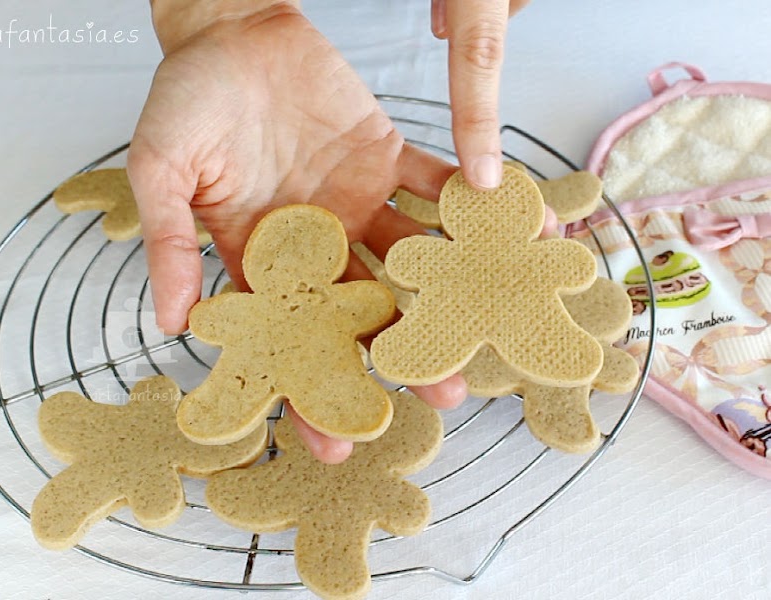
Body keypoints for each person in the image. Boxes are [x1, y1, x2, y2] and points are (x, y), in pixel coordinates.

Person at [128, 0, 531, 463]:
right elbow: (222, 319)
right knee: (247, 385)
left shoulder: (334, 301)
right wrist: (221, 15)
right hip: (261, 353)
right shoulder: (291, 302)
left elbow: (364, 304)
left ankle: (344, 406)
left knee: (334, 384)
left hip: (318, 355)